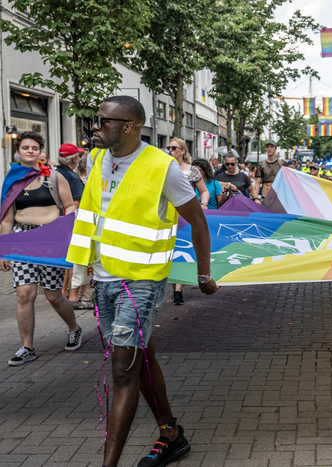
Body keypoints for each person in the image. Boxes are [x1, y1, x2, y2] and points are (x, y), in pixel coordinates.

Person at [66, 96, 218, 467]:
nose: (95, 128)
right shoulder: (96, 158)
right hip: (104, 280)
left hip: (143, 282)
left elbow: (198, 222)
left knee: (122, 367)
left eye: (102, 122)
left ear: (129, 126)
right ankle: (171, 435)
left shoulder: (164, 168)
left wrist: (203, 275)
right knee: (140, 358)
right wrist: (81, 272)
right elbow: (91, 216)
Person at [0, 131, 80, 366]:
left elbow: (69, 207)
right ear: (18, 151)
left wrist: (65, 233)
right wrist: (4, 250)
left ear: (40, 152)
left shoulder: (54, 177)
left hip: (50, 241)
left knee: (53, 295)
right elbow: (6, 219)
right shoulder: (12, 180)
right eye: (25, 148)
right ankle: (27, 347)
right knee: (25, 293)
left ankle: (74, 328)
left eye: (34, 148)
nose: (30, 151)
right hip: (22, 239)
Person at [167, 137, 209, 306]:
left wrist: (203, 205)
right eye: (168, 147)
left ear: (182, 151)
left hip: (185, 215)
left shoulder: (192, 170)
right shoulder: (164, 168)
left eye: (174, 147)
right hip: (166, 216)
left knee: (181, 248)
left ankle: (178, 289)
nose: (170, 150)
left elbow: (204, 190)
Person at [56, 143, 89, 308]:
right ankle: (73, 297)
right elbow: (76, 204)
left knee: (63, 261)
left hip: (55, 223)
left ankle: (63, 294)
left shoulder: (54, 173)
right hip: (70, 224)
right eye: (78, 156)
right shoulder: (73, 178)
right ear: (74, 159)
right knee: (73, 261)